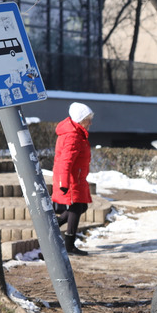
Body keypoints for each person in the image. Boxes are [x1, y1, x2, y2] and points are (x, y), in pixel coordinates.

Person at [52, 102, 94, 256]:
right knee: (76, 208)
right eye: (87, 119)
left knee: (81, 207)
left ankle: (52, 226)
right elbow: (65, 161)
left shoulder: (76, 133)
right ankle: (69, 245)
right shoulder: (73, 136)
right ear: (79, 119)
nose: (90, 122)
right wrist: (64, 183)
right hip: (70, 180)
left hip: (77, 178)